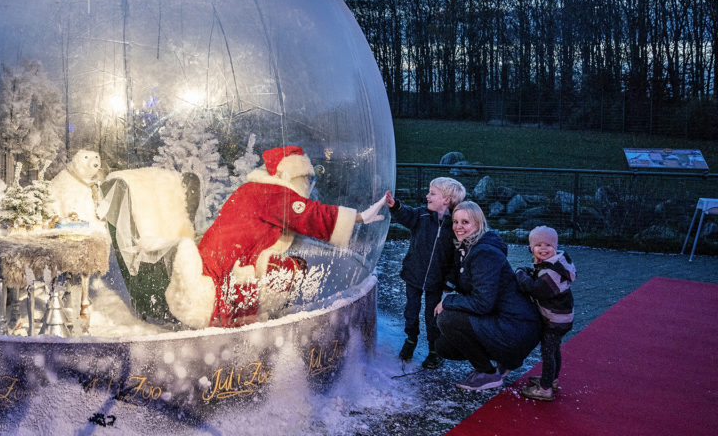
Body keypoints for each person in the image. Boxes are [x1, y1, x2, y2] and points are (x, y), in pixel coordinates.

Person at [165, 145, 387, 328]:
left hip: (216, 266)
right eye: (304, 179)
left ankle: (249, 321)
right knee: (288, 269)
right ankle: (251, 329)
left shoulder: (256, 189)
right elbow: (309, 215)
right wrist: (359, 217)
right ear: (291, 176)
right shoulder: (272, 193)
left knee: (285, 266)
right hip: (222, 274)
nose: (307, 185)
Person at [434, 201, 541, 391]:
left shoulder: (484, 253)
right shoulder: (469, 247)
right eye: (456, 222)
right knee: (443, 346)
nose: (458, 227)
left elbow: (482, 303)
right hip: (504, 322)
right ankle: (504, 361)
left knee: (447, 318)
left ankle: (488, 373)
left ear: (478, 224)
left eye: (465, 222)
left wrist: (448, 301)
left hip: (516, 328)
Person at [385, 177, 466, 369]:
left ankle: (434, 350)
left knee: (433, 316)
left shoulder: (455, 227)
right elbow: (406, 215)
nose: (427, 196)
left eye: (432, 193)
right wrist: (395, 206)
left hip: (436, 281)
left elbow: (456, 258)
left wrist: (450, 281)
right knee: (411, 311)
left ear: (446, 200)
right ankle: (411, 339)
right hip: (414, 274)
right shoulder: (422, 215)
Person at [515, 225, 575, 402]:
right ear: (531, 248)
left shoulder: (553, 271)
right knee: (554, 349)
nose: (543, 249)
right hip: (562, 317)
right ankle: (552, 379)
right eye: (538, 245)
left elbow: (535, 289)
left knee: (548, 352)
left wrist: (520, 273)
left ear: (555, 247)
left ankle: (545, 389)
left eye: (548, 245)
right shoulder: (554, 264)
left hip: (556, 320)